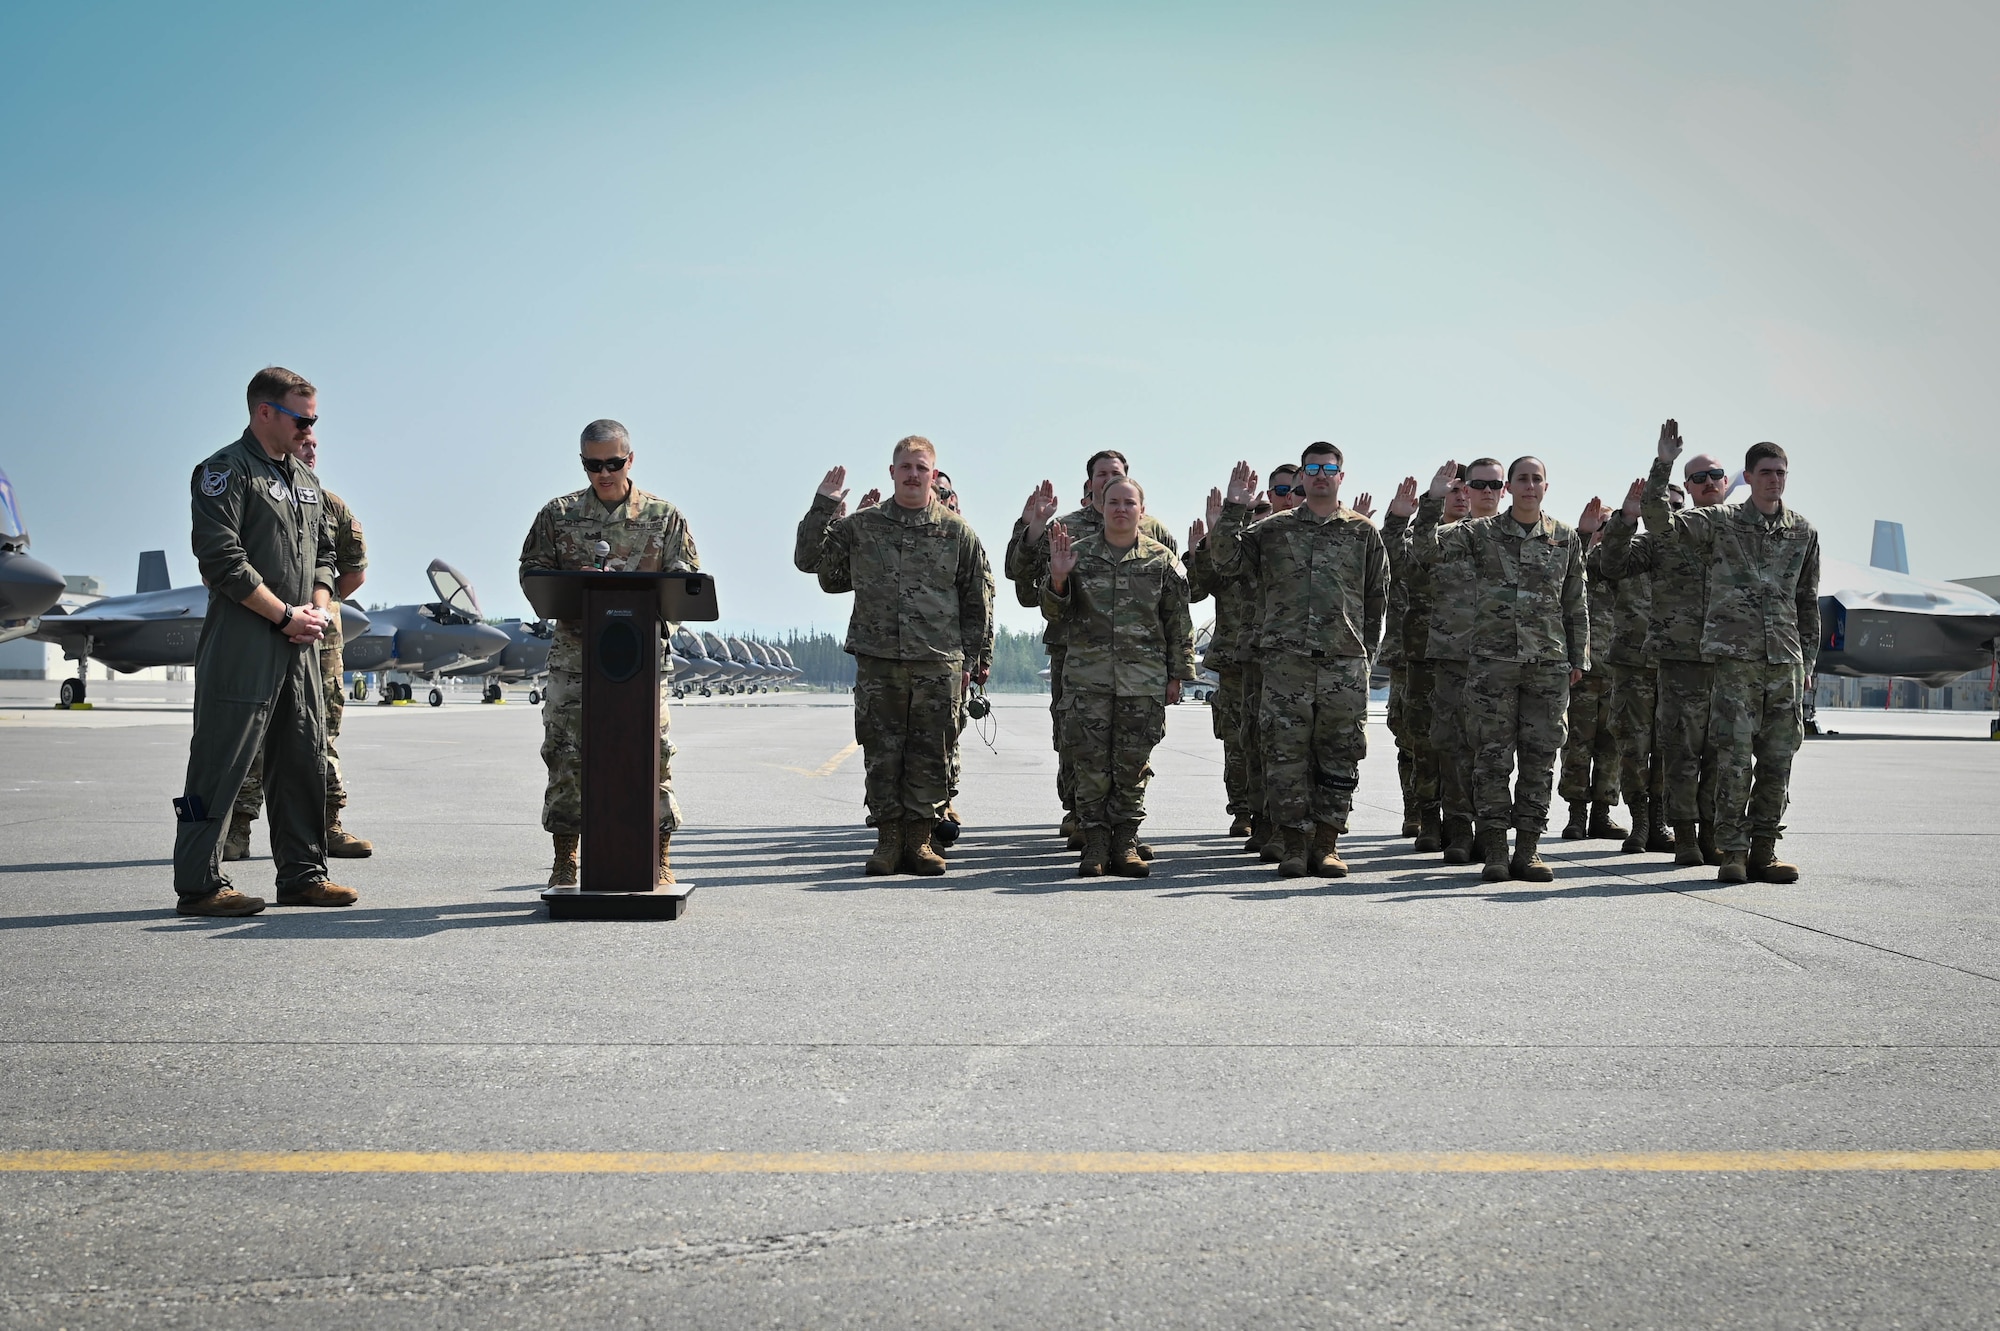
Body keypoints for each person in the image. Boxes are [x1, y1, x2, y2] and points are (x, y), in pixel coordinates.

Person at [171, 367, 350, 917]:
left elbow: (325, 554)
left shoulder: (306, 481)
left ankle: (302, 875)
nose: (310, 429)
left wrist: (315, 611)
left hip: (300, 643)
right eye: (303, 418)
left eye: (315, 419)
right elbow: (221, 561)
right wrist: (282, 617)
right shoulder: (224, 472)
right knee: (220, 761)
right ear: (265, 412)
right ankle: (199, 884)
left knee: (303, 759)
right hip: (244, 641)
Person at [796, 436, 994, 876]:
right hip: (879, 657)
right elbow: (810, 560)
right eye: (905, 467)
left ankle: (921, 842)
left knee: (931, 752)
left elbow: (975, 600)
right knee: (882, 751)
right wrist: (823, 505)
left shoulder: (957, 532)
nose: (912, 475)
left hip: (937, 661)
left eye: (921, 468)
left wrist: (976, 663)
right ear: (891, 472)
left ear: (933, 474)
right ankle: (888, 841)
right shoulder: (864, 526)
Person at [519, 419, 700, 888]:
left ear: (630, 459)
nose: (603, 473)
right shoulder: (557, 516)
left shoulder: (663, 517)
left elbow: (685, 582)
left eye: (613, 463)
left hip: (640, 664)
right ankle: (566, 858)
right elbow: (533, 575)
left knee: (653, 756)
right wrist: (573, 586)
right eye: (593, 465)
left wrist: (656, 619)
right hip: (575, 660)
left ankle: (658, 854)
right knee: (565, 754)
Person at [1634, 431, 1818, 883]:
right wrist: (1662, 466)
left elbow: (1806, 601)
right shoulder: (1721, 521)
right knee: (1733, 759)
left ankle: (1765, 851)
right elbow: (1659, 522)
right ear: (1749, 477)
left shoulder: (1803, 531)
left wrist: (1807, 663)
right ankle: (1733, 851)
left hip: (1786, 663)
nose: (1774, 480)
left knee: (1778, 760)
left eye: (1780, 473)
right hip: (1735, 662)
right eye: (1766, 473)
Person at [1207, 445, 1388, 878]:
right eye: (1312, 469)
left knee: (1340, 756)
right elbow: (1225, 561)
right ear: (1303, 477)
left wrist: (1364, 657)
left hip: (1343, 665)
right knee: (1284, 756)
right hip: (1285, 663)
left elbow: (1376, 598)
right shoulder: (1273, 530)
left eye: (1329, 469)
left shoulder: (1363, 532)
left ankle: (1326, 844)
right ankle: (1292, 844)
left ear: (1342, 476)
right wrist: (1233, 508)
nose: (1321, 475)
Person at [1414, 455, 1589, 883]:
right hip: (1492, 665)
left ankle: (1527, 849)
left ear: (1546, 486)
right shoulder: (1479, 533)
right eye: (1522, 480)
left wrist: (1579, 657)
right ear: (1509, 488)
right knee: (1491, 759)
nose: (1530, 486)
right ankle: (1494, 847)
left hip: (1548, 665)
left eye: (1537, 479)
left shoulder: (1564, 537)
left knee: (1540, 759)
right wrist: (1432, 502)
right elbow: (1424, 551)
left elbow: (1575, 602)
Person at [1005, 452, 1177, 851]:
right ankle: (1082, 816)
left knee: (1129, 749)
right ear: (1090, 483)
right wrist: (1034, 528)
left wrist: (1175, 667)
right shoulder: (1065, 529)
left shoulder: (1153, 531)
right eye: (1101, 476)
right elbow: (1023, 578)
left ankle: (1119, 830)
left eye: (1115, 475)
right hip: (1076, 651)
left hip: (1137, 662)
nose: (1108, 482)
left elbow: (1175, 600)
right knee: (1077, 739)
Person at [225, 433, 370, 861]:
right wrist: (280, 609)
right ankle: (236, 829)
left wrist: (314, 608)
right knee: (252, 732)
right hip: (261, 627)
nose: (308, 451)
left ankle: (327, 825)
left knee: (320, 733)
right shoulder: (254, 490)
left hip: (320, 641)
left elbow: (354, 571)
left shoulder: (331, 505)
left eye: (313, 447)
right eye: (301, 443)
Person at [1596, 424, 1735, 865]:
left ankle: (1699, 830)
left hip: (1720, 660)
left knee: (1714, 750)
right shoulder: (1659, 543)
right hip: (1650, 659)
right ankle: (1647, 822)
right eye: (1700, 479)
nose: (1709, 483)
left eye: (1716, 476)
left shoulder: (1739, 536)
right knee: (1643, 746)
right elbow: (1609, 566)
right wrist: (1625, 520)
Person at [1042, 478, 1195, 876]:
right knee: (1090, 764)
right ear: (1099, 505)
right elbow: (1054, 616)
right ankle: (1094, 845)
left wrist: (1178, 675)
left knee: (1132, 765)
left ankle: (1125, 843)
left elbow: (1178, 623)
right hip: (1087, 680)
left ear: (1142, 511)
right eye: (1113, 502)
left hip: (1142, 682)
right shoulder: (1076, 555)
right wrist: (1058, 579)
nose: (1121, 509)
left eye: (1129, 502)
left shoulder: (1163, 561)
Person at [1402, 458, 1506, 863]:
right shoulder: (1445, 536)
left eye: (1483, 486)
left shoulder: (1516, 536)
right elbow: (1411, 556)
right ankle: (1448, 824)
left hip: (1499, 656)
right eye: (1464, 487)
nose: (1472, 494)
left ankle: (1488, 828)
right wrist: (1427, 502)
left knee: (1494, 750)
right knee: (1444, 745)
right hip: (1445, 656)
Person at [1589, 476, 1684, 854]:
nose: (1670, 513)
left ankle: (1659, 822)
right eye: (1662, 506)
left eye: (1677, 507)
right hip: (1630, 664)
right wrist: (1621, 522)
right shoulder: (1630, 551)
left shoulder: (1694, 555)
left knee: (1668, 747)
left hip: (1676, 666)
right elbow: (1596, 565)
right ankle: (1640, 822)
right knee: (1631, 747)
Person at [1381, 468, 1472, 853]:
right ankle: (1421, 813)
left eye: (1468, 490)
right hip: (1415, 654)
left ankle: (1460, 818)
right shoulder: (1417, 538)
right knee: (1416, 740)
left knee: (1462, 742)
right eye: (1454, 490)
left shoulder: (1479, 539)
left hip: (1466, 656)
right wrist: (1398, 517)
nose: (1462, 497)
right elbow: (1389, 560)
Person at [1184, 487, 1262, 837]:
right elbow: (1197, 588)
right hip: (1234, 660)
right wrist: (1206, 544)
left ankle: (1276, 812)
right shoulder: (1235, 549)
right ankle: (1243, 810)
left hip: (1282, 661)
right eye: (1254, 508)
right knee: (1236, 740)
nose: (1259, 513)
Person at [1237, 463, 1303, 860]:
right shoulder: (1259, 536)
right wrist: (1229, 516)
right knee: (1259, 743)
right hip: (1258, 653)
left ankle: (1291, 829)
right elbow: (1218, 571)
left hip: (1305, 656)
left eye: (1293, 490)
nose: (1286, 498)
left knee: (1302, 746)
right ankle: (1264, 821)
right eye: (1279, 491)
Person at [1557, 507, 1625, 841]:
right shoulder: (1580, 560)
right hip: (1582, 672)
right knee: (1576, 746)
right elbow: (1573, 566)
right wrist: (1584, 535)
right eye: (1601, 526)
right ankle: (1576, 813)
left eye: (1610, 526)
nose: (1605, 531)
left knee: (1611, 746)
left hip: (1616, 670)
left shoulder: (1622, 566)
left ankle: (1602, 813)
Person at [929, 469, 988, 847]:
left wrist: (980, 658)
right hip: (926, 655)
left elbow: (982, 607)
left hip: (957, 656)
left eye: (945, 491)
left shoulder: (965, 540)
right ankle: (932, 809)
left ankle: (945, 799)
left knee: (951, 734)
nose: (940, 496)